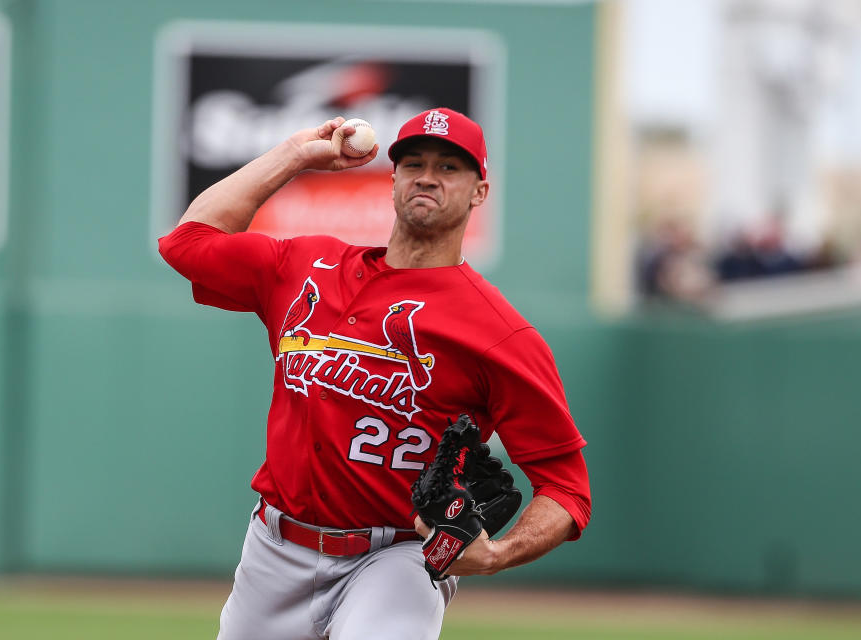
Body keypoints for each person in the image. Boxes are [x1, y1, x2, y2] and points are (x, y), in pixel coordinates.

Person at [158, 108, 591, 640]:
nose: (428, 176)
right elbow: (188, 243)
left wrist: (498, 554)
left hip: (399, 557)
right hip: (274, 548)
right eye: (414, 163)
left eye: (450, 168)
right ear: (393, 180)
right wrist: (294, 156)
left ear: (480, 191)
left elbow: (568, 490)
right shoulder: (306, 266)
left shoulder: (498, 332)